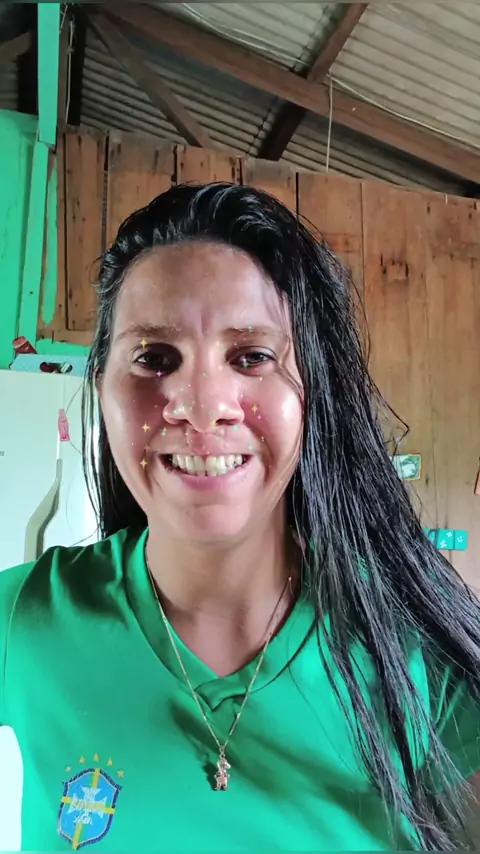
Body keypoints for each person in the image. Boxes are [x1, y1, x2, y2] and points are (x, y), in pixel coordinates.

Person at [1, 182, 479, 852]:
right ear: (102, 387)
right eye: (154, 358)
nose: (202, 407)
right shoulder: (27, 617)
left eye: (251, 356)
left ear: (313, 391)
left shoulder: (415, 651)